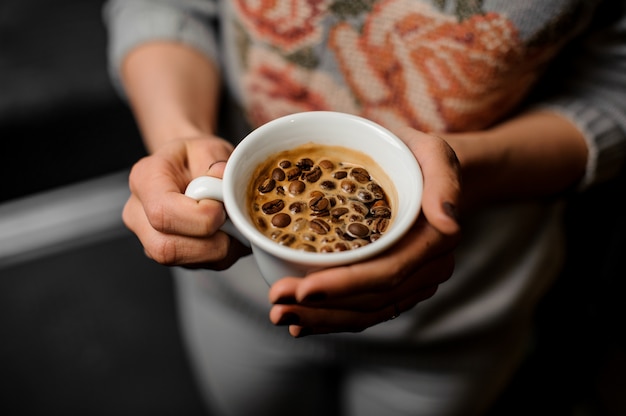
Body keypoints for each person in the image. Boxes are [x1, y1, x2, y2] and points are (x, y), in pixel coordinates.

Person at [103, 1, 626, 415]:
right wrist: (181, 140)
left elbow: (612, 91)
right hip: (235, 299)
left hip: (463, 313)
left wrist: (465, 170)